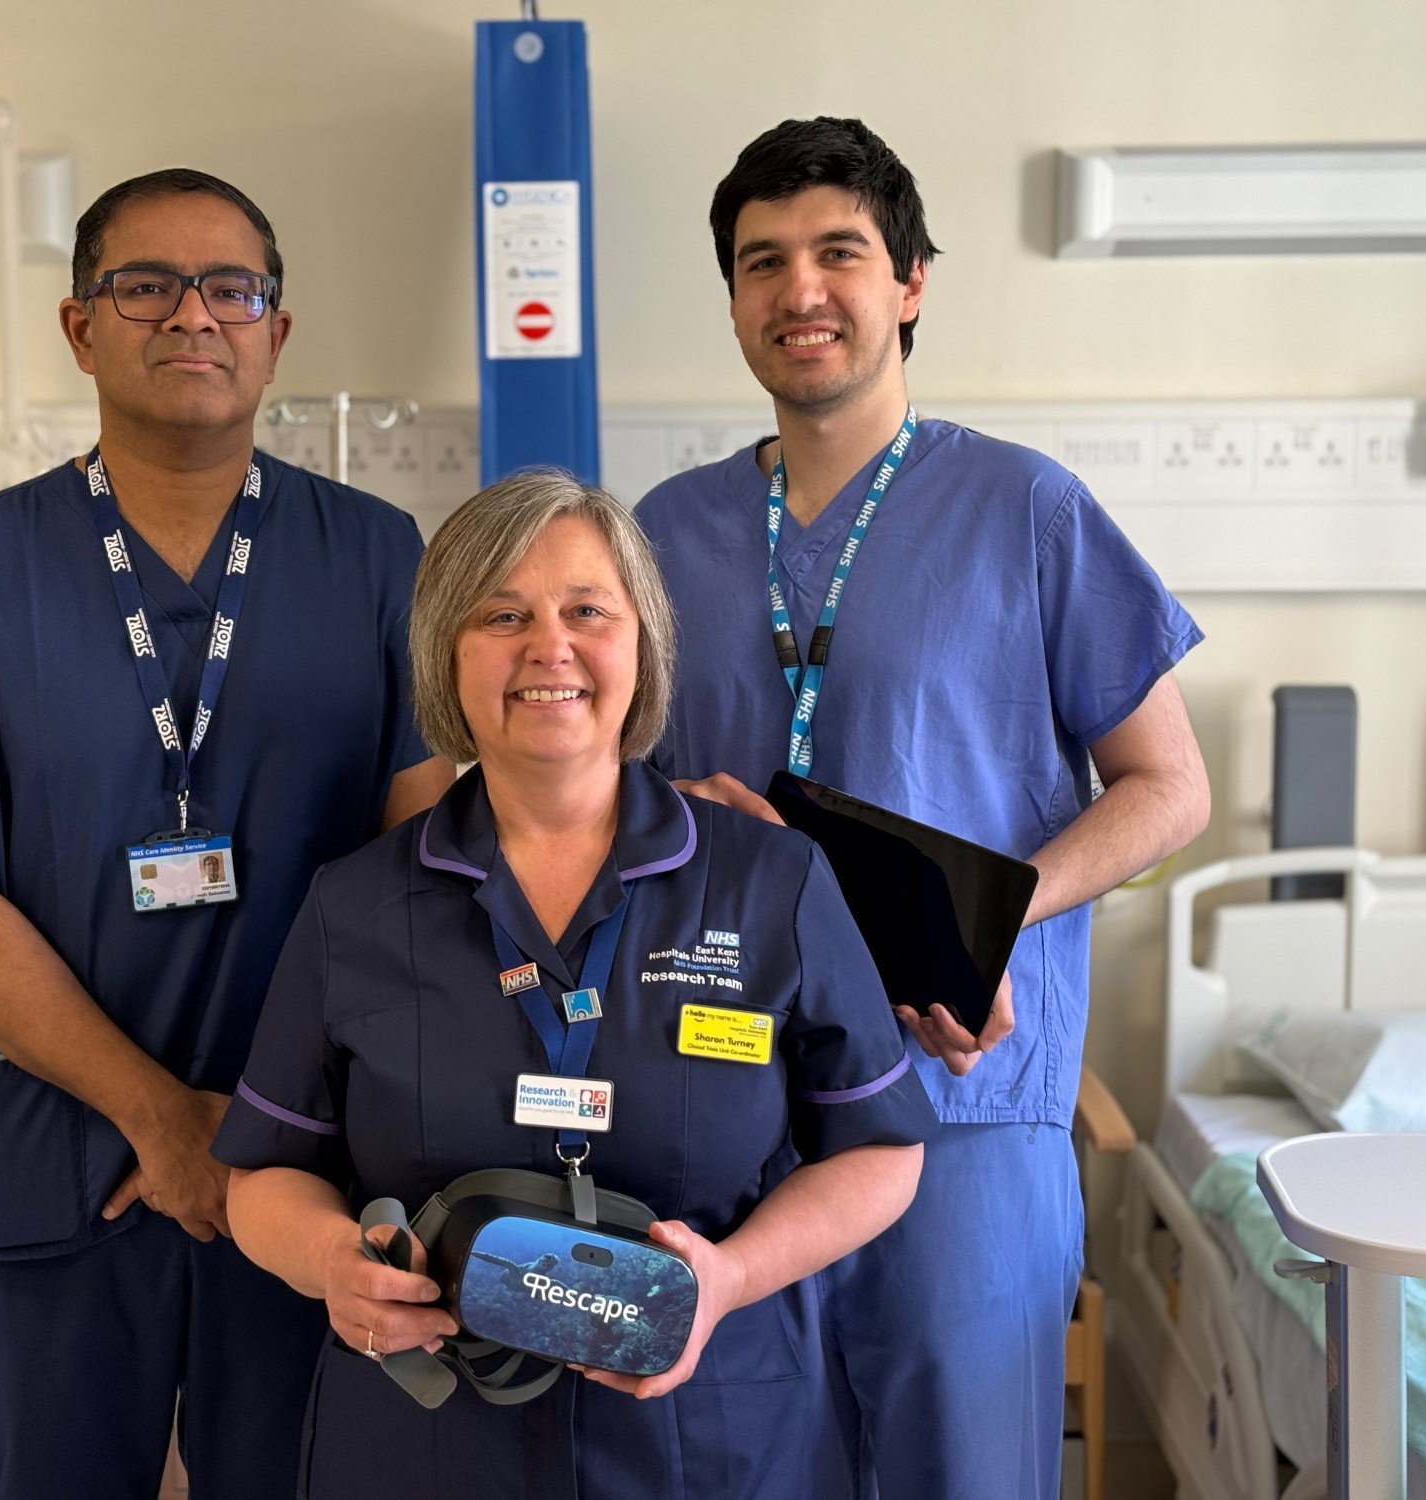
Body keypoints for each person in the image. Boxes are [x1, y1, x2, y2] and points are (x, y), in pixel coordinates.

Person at [0, 167, 454, 1499]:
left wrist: (259, 1133)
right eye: (145, 286)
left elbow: (424, 871)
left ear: (275, 333)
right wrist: (164, 1120)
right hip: (41, 1162)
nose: (192, 315)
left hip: (303, 1160)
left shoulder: (375, 558)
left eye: (231, 288)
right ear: (80, 326)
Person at [636, 118, 1212, 1498]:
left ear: (909, 283)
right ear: (732, 302)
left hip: (958, 1094)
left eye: (838, 252)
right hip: (730, 1099)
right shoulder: (661, 532)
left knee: (961, 1470)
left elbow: (1169, 788)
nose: (800, 289)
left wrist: (989, 921)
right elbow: (605, 792)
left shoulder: (1027, 511)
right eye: (761, 262)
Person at [215, 471, 937, 1500]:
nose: (548, 646)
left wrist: (731, 1277)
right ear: (446, 654)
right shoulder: (356, 905)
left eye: (587, 611)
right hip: (429, 1445)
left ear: (642, 646)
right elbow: (262, 1176)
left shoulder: (770, 881)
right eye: (502, 615)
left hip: (709, 1440)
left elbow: (879, 1151)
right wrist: (333, 1261)